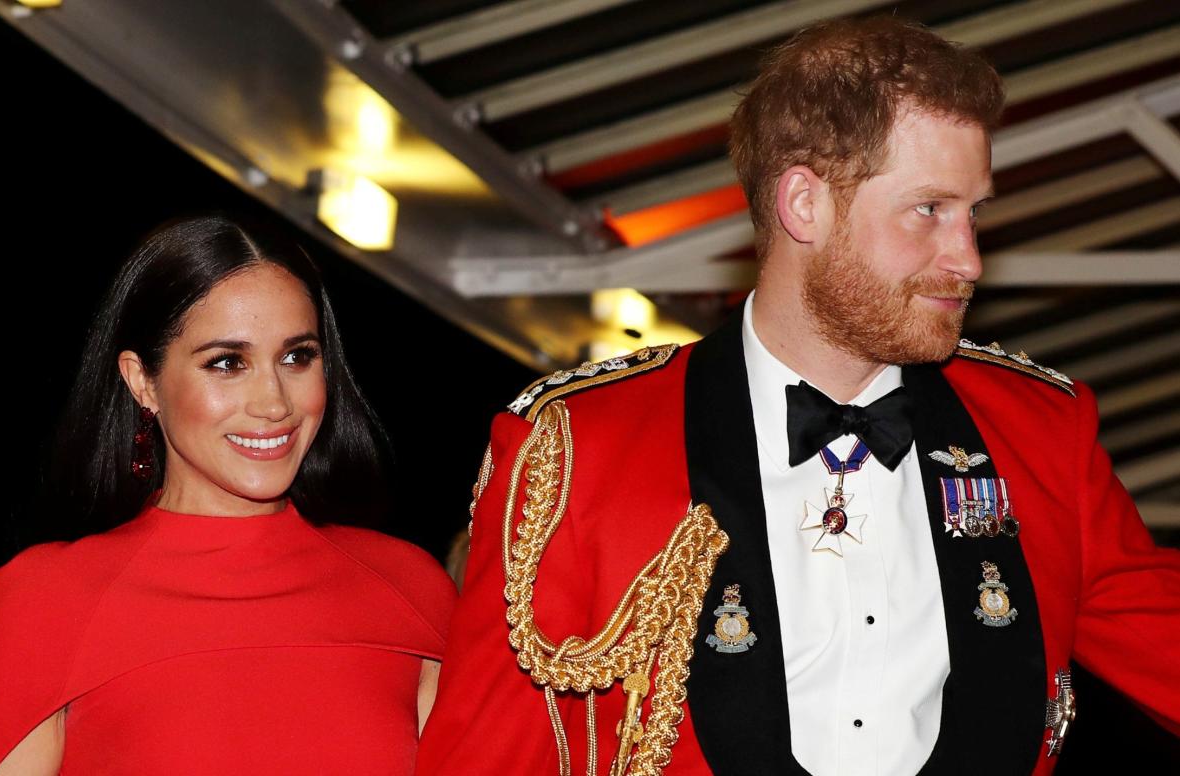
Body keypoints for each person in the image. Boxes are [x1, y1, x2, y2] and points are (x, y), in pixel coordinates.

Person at [416, 17, 1180, 776]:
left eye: (972, 212)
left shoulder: (1040, 429)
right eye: (929, 210)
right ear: (802, 205)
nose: (969, 258)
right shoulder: (578, 444)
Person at [0, 215, 456, 775]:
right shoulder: (43, 602)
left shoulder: (411, 589)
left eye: (297, 357)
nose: (273, 403)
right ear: (142, 380)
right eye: (227, 363)